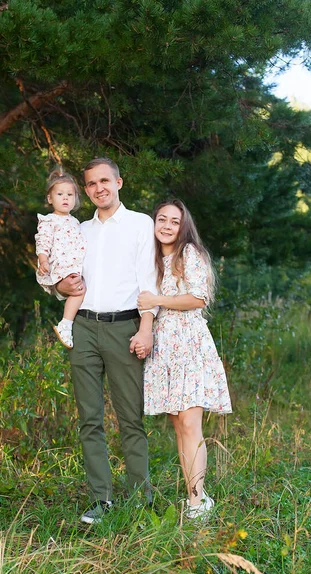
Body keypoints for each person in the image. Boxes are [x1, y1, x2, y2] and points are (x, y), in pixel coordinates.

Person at [56, 157, 158, 524]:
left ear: (119, 182)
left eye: (105, 181)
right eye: (91, 184)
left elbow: (150, 282)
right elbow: (64, 278)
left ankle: (139, 498)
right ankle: (102, 499)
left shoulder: (140, 225)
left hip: (125, 328)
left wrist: (146, 327)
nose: (99, 188)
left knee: (130, 417)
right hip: (83, 328)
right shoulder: (78, 230)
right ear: (86, 190)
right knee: (90, 419)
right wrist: (58, 286)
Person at [137, 199, 232, 520]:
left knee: (191, 424)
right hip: (165, 349)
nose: (166, 225)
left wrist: (157, 299)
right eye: (161, 219)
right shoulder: (151, 260)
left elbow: (198, 298)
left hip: (189, 344)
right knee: (179, 427)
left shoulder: (189, 253)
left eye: (174, 221)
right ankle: (194, 496)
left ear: (183, 227)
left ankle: (198, 502)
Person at [35, 167, 87, 348]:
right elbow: (43, 242)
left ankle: (68, 322)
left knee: (80, 290)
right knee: (79, 291)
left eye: (70, 195)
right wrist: (43, 261)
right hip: (62, 264)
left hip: (74, 265)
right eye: (60, 194)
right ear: (50, 198)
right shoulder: (49, 220)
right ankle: (66, 324)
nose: (65, 198)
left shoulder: (75, 222)